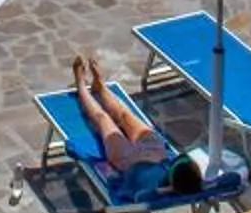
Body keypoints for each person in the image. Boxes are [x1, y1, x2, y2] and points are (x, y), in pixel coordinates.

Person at [68, 55, 203, 194]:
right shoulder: (191, 178)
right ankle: (100, 87)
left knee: (103, 119)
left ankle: (81, 86)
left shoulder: (146, 187)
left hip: (126, 157)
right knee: (125, 115)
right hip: (155, 147)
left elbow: (121, 188)